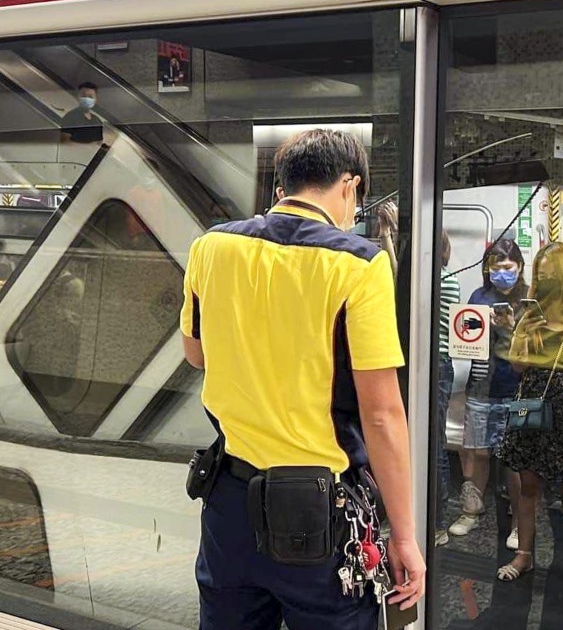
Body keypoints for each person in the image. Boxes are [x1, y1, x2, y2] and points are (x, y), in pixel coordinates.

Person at [180, 129, 425, 629]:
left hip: (229, 500)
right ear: (349, 186)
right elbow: (381, 415)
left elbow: (196, 354)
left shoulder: (211, 246)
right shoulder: (359, 264)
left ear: (283, 186)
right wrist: (403, 537)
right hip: (319, 516)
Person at [496, 242, 563, 597]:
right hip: (530, 399)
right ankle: (524, 555)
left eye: (550, 274)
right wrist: (525, 336)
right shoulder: (531, 316)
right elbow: (516, 366)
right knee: (528, 485)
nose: (544, 280)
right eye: (541, 274)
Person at [449, 239, 526, 548]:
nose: (501, 274)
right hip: (481, 385)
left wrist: (510, 328)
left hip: (516, 389)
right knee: (478, 452)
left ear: (519, 267)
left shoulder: (528, 299)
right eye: (496, 268)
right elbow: (463, 336)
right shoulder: (478, 297)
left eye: (507, 267)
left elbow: (534, 347)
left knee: (514, 461)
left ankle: (519, 522)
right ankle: (471, 510)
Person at [434, 230, 459, 546]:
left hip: (437, 365)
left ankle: (437, 521)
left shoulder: (446, 280)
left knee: (436, 445)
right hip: (420, 364)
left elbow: (400, 283)